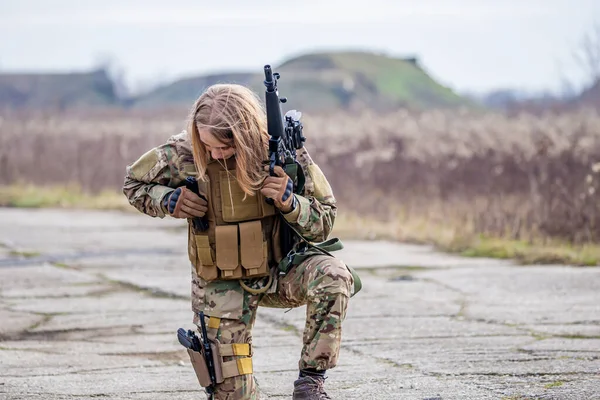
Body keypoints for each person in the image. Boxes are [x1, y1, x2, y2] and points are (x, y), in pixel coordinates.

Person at [122, 83, 358, 400]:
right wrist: (168, 199)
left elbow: (325, 220)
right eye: (209, 147)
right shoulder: (182, 153)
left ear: (245, 133)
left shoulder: (281, 152)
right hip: (222, 283)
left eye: (225, 147)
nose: (216, 154)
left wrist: (291, 203)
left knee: (334, 276)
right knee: (234, 396)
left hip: (281, 272)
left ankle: (310, 384)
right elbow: (134, 184)